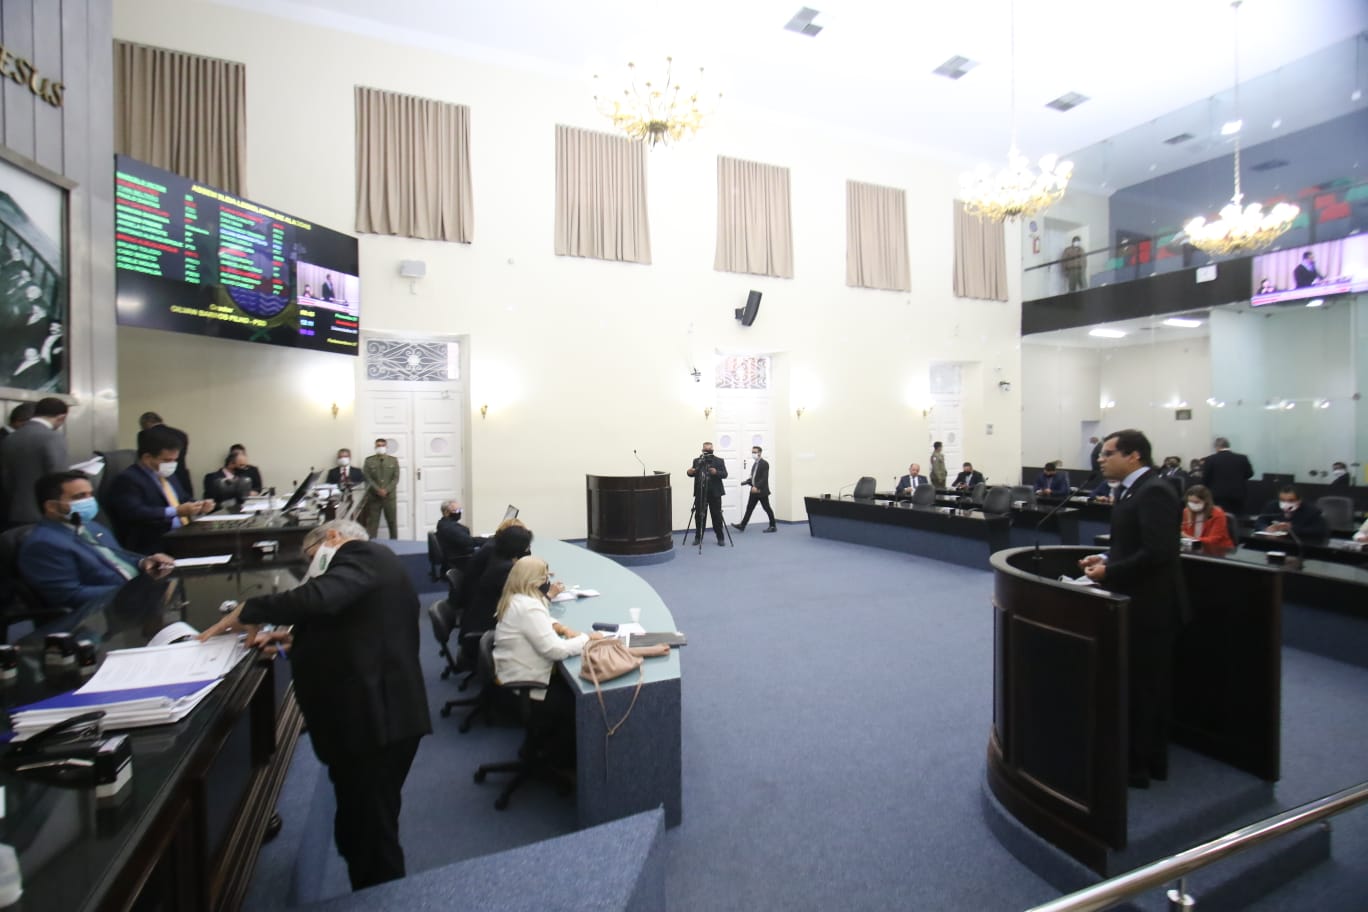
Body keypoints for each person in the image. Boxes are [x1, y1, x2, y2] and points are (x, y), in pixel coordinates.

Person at [199, 519, 430, 892]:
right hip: (371, 723)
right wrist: (296, 642)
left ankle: (383, 899)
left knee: (372, 838)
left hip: (377, 725)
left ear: (333, 537)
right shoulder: (371, 566)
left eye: (311, 557)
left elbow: (319, 598)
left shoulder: (363, 554)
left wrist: (249, 609)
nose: (313, 567)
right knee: (359, 829)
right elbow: (360, 630)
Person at [1079, 429, 1184, 788]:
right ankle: (1132, 758)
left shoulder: (1155, 490)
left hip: (1153, 608)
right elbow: (1132, 543)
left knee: (1146, 689)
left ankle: (1142, 767)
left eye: (1108, 453)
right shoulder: (1130, 490)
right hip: (1132, 603)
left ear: (1134, 455)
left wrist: (1110, 572)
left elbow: (1158, 552)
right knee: (1133, 685)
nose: (1100, 459)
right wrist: (1105, 557)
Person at [492, 556, 603, 768]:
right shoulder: (528, 607)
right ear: (533, 581)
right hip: (525, 687)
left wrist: (561, 627)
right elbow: (556, 650)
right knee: (581, 702)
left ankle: (538, 746)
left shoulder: (516, 598)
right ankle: (561, 762)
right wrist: (587, 638)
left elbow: (540, 619)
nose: (547, 581)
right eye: (544, 578)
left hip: (509, 675)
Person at [19, 470, 175, 610]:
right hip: (105, 612)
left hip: (139, 596)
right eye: (79, 496)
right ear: (51, 507)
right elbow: (69, 596)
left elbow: (118, 558)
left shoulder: (91, 526)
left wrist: (144, 562)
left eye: (90, 494)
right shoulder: (43, 544)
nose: (89, 501)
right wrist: (132, 589)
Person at [107, 425, 214, 552]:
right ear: (147, 458)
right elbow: (136, 513)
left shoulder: (168, 475)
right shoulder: (128, 479)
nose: (172, 464)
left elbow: (183, 498)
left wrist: (199, 505)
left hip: (183, 536)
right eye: (167, 460)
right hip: (155, 545)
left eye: (175, 460)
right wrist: (176, 511)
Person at [459, 522, 533, 667]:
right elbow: (526, 599)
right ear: (517, 548)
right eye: (526, 546)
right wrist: (548, 593)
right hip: (484, 636)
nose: (528, 549)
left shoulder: (498, 559)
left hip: (477, 625)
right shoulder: (505, 569)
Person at [1, 397, 69, 526]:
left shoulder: (11, 438)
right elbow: (59, 479)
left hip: (16, 512)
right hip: (46, 513)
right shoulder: (53, 438)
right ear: (61, 417)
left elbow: (7, 479)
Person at [138, 412, 193, 500]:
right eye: (167, 460)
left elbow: (141, 458)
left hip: (155, 477)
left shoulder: (145, 434)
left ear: (145, 424)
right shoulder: (181, 434)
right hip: (181, 475)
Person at [685, 441, 728, 545]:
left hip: (715, 493)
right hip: (700, 492)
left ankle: (720, 538)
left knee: (717, 516)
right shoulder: (697, 461)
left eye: (710, 449)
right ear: (702, 450)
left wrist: (716, 472)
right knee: (699, 516)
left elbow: (725, 474)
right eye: (706, 449)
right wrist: (689, 472)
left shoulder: (719, 461)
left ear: (713, 450)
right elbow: (693, 473)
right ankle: (698, 537)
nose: (708, 451)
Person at [1256, 486, 1329, 543]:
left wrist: (1291, 529)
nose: (1286, 504)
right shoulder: (1272, 506)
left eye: (1291, 500)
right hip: (1274, 542)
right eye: (1282, 500)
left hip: (1301, 544)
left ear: (1299, 500)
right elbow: (1260, 521)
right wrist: (1265, 528)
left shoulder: (1311, 510)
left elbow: (1320, 530)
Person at [1201, 438, 1253, 517]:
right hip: (1238, 494)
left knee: (1219, 517)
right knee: (1238, 518)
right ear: (1228, 445)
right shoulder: (1242, 458)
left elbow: (1205, 478)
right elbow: (1250, 474)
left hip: (1217, 496)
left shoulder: (1210, 459)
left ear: (1217, 447)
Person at [361, 438, 399, 539]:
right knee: (372, 524)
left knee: (392, 522)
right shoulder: (369, 461)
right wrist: (377, 489)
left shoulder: (393, 460)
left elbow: (395, 478)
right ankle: (372, 544)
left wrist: (386, 490)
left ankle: (395, 543)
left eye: (382, 445)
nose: (380, 447)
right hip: (374, 497)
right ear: (375, 447)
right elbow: (367, 477)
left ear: (386, 447)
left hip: (389, 497)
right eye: (378, 445)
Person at [732, 445, 776, 532]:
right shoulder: (755, 463)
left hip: (761, 491)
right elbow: (754, 477)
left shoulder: (764, 463)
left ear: (760, 453)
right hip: (753, 491)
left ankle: (773, 526)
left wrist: (757, 486)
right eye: (752, 452)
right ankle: (742, 525)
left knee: (767, 508)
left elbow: (764, 478)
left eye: (755, 452)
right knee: (749, 508)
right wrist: (747, 481)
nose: (753, 454)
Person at [1181, 484, 1234, 553]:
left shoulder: (1217, 513)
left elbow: (1213, 540)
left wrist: (1189, 538)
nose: (1192, 505)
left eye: (1196, 502)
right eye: (1190, 502)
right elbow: (1183, 531)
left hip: (1218, 550)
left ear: (1206, 501)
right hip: (1194, 549)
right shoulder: (1186, 512)